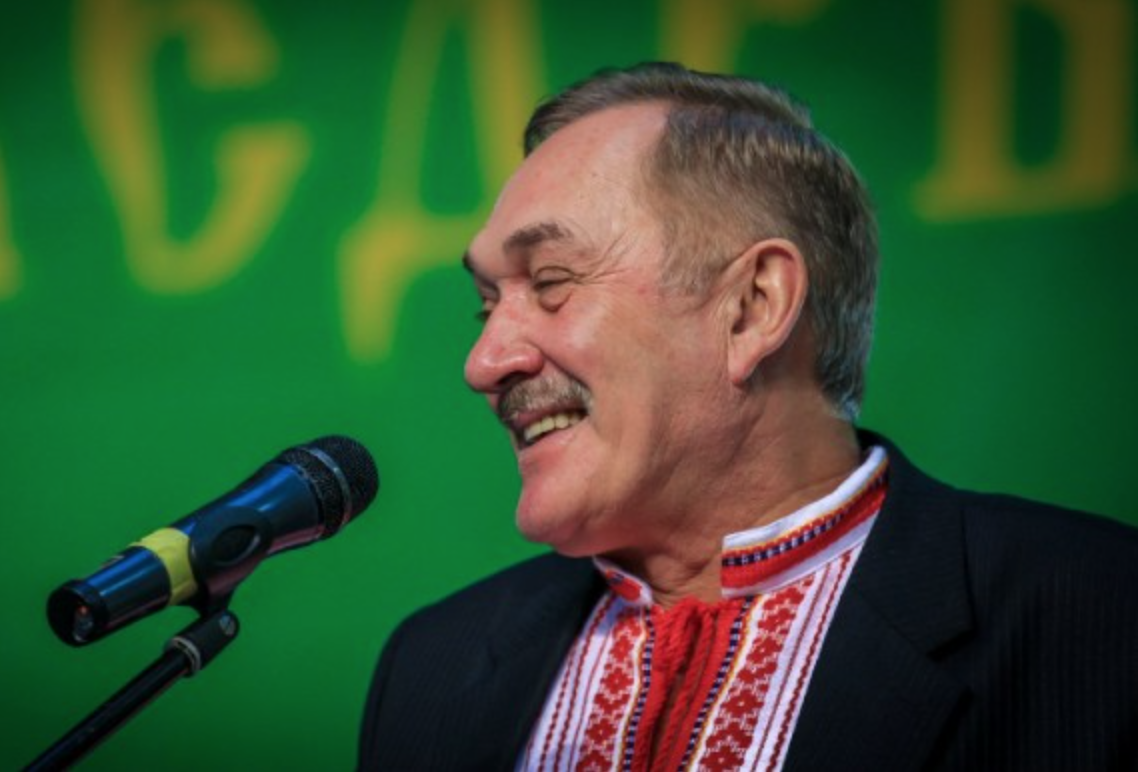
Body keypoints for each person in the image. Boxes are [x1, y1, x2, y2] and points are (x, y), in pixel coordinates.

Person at [357, 62, 1138, 771]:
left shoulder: (1097, 623)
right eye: (486, 305)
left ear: (753, 306)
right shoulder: (432, 671)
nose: (485, 362)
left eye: (552, 282)